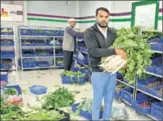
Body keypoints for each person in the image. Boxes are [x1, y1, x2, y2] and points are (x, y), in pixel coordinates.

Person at [84, 7, 127, 120]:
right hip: (98, 72)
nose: (104, 19)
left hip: (112, 72)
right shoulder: (90, 32)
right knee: (97, 100)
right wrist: (114, 51)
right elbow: (93, 51)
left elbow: (120, 50)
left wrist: (123, 62)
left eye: (106, 17)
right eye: (101, 16)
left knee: (109, 100)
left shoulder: (113, 33)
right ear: (96, 17)